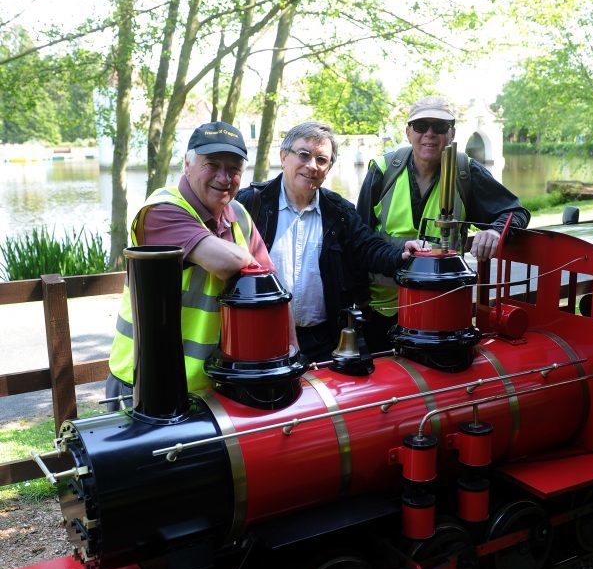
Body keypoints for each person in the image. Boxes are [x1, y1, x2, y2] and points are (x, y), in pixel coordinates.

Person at [107, 121, 273, 398]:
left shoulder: (239, 214)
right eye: (212, 164)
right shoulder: (161, 210)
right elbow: (223, 263)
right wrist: (248, 260)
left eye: (234, 169)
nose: (224, 177)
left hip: (209, 386)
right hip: (144, 383)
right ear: (187, 163)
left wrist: (291, 351)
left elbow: (273, 284)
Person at [237, 121, 423, 362]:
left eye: (322, 160)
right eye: (304, 155)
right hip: (258, 335)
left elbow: (368, 247)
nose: (312, 166)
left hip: (322, 341)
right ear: (284, 156)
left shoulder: (339, 211)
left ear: (328, 168)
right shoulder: (250, 205)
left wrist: (401, 254)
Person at [356, 95, 530, 351]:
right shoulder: (383, 171)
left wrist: (494, 231)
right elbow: (358, 239)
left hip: (442, 311)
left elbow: (516, 213)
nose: (429, 134)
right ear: (408, 132)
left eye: (439, 127)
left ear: (451, 133)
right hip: (382, 311)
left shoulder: (465, 172)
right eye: (420, 126)